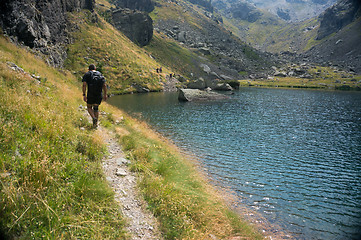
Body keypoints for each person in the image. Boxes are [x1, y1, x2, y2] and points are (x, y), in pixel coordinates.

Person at [82, 64, 107, 128]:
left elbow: (84, 85)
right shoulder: (100, 74)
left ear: (88, 69)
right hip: (99, 94)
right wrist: (105, 94)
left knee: (89, 107)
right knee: (96, 108)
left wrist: (84, 94)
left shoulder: (87, 74)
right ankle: (95, 124)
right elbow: (104, 85)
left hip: (90, 94)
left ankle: (93, 117)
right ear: (95, 68)